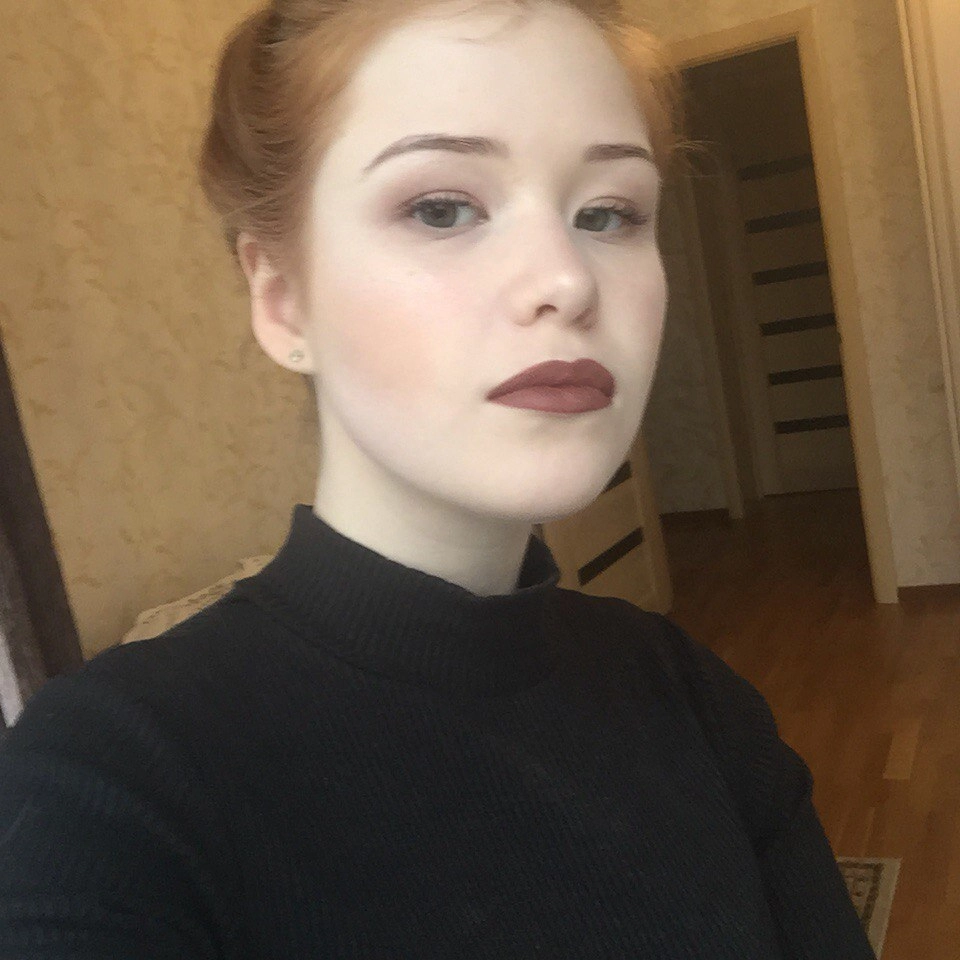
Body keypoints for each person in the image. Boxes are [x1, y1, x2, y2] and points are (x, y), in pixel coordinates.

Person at [0, 0, 875, 957]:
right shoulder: (103, 783)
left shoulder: (697, 701)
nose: (567, 280)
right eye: (442, 208)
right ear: (283, 300)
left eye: (608, 213)